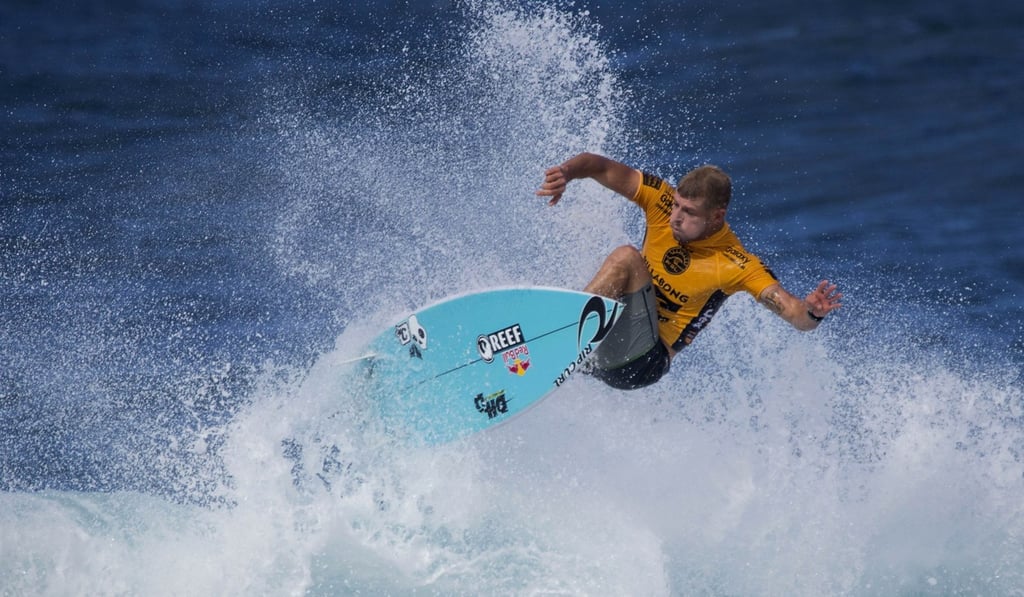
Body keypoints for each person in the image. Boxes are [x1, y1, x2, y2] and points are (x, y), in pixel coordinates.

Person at [536, 152, 842, 390]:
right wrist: (565, 172)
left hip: (643, 363)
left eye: (689, 212)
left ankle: (553, 342)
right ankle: (560, 349)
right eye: (677, 206)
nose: (675, 218)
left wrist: (812, 312)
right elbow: (598, 166)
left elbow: (794, 314)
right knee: (614, 272)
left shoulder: (736, 264)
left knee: (627, 258)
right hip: (616, 341)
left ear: (716, 216)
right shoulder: (662, 203)